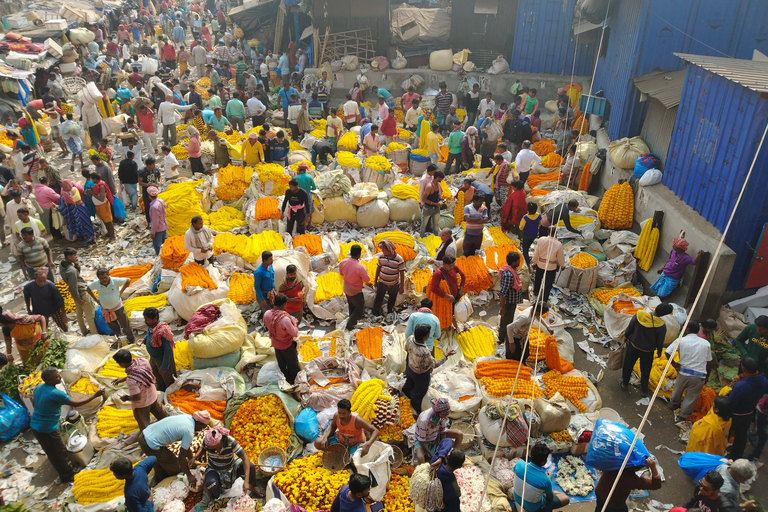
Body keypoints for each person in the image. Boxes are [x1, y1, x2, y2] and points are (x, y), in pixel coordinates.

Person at [31, 367, 104, 483]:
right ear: (49, 380)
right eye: (56, 377)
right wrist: (95, 395)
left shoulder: (39, 387)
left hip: (36, 424)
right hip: (47, 429)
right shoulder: (56, 393)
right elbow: (76, 403)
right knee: (58, 451)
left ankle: (63, 466)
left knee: (51, 450)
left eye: (58, 375)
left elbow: (34, 403)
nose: (59, 377)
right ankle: (66, 475)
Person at [138, 412, 210, 482]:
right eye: (203, 427)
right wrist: (189, 475)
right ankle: (165, 479)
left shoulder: (187, 417)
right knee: (175, 466)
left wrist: (191, 458)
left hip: (145, 434)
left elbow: (186, 447)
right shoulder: (189, 431)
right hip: (150, 443)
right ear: (199, 423)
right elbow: (181, 456)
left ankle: (160, 478)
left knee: (159, 462)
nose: (202, 429)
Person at [620, 303, 673, 395]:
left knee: (628, 365)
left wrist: (626, 336)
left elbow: (630, 328)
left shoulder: (639, 315)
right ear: (663, 315)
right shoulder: (661, 326)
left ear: (656, 307)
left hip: (633, 346)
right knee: (645, 370)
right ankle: (644, 390)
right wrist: (659, 351)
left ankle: (625, 383)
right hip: (647, 351)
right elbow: (660, 342)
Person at [666, 321, 713, 422]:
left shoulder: (681, 340)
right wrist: (707, 377)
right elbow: (709, 362)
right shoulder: (706, 344)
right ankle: (682, 416)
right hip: (699, 375)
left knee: (677, 391)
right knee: (691, 397)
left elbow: (667, 352)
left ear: (687, 329)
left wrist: (674, 364)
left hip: (683, 372)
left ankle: (674, 404)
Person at [200, 424, 263, 499]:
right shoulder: (207, 442)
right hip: (214, 468)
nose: (208, 447)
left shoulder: (231, 442)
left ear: (219, 442)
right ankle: (221, 497)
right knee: (211, 484)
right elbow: (203, 448)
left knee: (251, 466)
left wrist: (246, 481)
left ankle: (253, 487)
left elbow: (245, 458)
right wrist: (195, 457)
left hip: (231, 465)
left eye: (211, 446)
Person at [112, 349, 168, 429]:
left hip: (143, 404)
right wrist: (123, 378)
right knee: (164, 417)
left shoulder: (131, 380)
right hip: (152, 396)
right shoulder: (143, 361)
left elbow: (137, 397)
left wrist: (126, 398)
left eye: (118, 363)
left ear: (123, 364)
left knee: (145, 427)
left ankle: (149, 439)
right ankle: (172, 427)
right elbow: (141, 374)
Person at [405, 324, 453, 414]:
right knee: (418, 393)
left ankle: (407, 395)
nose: (429, 335)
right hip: (420, 375)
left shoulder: (410, 339)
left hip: (410, 367)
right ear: (425, 337)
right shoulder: (424, 352)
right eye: (428, 334)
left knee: (409, 384)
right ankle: (417, 409)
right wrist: (446, 355)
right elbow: (434, 364)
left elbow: (406, 349)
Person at [727, 357, 768, 459]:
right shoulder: (763, 381)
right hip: (749, 412)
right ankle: (736, 457)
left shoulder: (740, 386)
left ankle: (724, 454)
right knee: (741, 436)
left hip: (736, 415)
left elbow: (731, 403)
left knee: (727, 434)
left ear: (743, 369)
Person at [513, 442, 570, 512]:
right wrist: (549, 480)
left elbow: (516, 473)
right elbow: (550, 498)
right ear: (544, 462)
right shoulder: (545, 479)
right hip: (533, 508)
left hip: (517, 497)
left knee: (547, 490)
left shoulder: (519, 464)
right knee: (565, 498)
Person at [594, 456, 661, 512]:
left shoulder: (614, 460)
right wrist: (653, 467)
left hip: (600, 490)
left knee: (600, 508)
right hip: (613, 504)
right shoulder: (629, 479)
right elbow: (656, 485)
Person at [314, 399, 380, 457]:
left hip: (355, 444)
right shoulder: (337, 416)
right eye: (340, 413)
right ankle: (340, 453)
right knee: (318, 442)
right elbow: (333, 426)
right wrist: (325, 437)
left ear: (349, 412)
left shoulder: (357, 420)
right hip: (340, 440)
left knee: (354, 461)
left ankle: (347, 455)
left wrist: (368, 444)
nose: (341, 416)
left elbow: (375, 431)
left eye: (344, 413)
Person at [88, 268, 136, 343]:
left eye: (105, 277)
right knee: (113, 326)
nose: (104, 280)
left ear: (108, 276)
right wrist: (96, 299)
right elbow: (88, 289)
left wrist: (121, 292)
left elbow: (128, 280)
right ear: (98, 278)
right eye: (101, 278)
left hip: (118, 307)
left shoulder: (115, 280)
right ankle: (120, 339)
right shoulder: (96, 284)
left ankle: (131, 339)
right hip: (106, 310)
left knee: (125, 325)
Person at [60, 248, 98, 336]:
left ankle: (84, 331)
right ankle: (95, 334)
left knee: (79, 314)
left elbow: (76, 275)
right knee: (90, 315)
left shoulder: (62, 265)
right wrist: (78, 299)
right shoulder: (71, 271)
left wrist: (76, 265)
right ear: (69, 257)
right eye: (74, 256)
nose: (77, 257)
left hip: (76, 295)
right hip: (81, 293)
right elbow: (73, 286)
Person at [264, 293, 300, 384]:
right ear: (284, 304)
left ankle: (284, 381)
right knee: (293, 365)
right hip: (286, 345)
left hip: (276, 344)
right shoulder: (284, 319)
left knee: (282, 365)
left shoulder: (267, 314)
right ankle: (293, 382)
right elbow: (294, 333)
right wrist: (295, 323)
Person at [414, 398, 463, 464]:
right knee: (420, 458)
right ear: (441, 413)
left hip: (436, 436)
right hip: (423, 441)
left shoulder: (440, 416)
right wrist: (433, 456)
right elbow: (422, 441)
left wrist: (443, 450)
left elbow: (443, 432)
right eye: (445, 414)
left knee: (459, 434)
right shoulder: (424, 420)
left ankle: (453, 457)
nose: (447, 416)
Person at [427, 256, 466, 330]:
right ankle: (443, 327)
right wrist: (447, 296)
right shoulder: (438, 274)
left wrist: (461, 288)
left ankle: (452, 323)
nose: (452, 267)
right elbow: (434, 288)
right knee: (445, 314)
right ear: (444, 264)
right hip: (445, 299)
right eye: (450, 266)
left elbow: (463, 276)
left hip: (455, 297)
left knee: (454, 312)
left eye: (453, 265)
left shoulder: (454, 268)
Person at [531, 226, 566, 303]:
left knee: (538, 279)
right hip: (551, 267)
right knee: (548, 283)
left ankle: (536, 292)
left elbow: (536, 252)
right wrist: (562, 265)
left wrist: (534, 262)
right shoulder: (558, 244)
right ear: (556, 233)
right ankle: (544, 299)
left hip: (540, 264)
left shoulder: (541, 240)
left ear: (548, 232)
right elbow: (560, 257)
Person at [373, 240, 405, 322]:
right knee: (379, 297)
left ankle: (389, 311)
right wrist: (375, 280)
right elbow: (378, 268)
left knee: (392, 298)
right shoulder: (381, 257)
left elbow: (402, 273)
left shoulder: (399, 259)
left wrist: (402, 286)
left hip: (393, 284)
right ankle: (375, 312)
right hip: (382, 282)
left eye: (384, 249)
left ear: (390, 250)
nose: (382, 251)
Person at [339, 244, 370, 330]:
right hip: (355, 291)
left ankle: (352, 321)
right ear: (359, 255)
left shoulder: (343, 262)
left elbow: (341, 273)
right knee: (360, 308)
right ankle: (350, 325)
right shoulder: (360, 267)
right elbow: (367, 279)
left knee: (351, 305)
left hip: (346, 288)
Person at [429, 438, 465, 512]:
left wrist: (440, 457)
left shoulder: (434, 463)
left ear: (447, 458)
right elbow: (455, 509)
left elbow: (447, 440)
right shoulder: (454, 489)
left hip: (430, 503)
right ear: (460, 466)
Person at [499, 252, 523, 348]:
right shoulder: (508, 275)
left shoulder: (512, 269)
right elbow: (503, 292)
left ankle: (503, 335)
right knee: (507, 321)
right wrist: (503, 307)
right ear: (513, 262)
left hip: (512, 301)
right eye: (518, 260)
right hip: (508, 303)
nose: (519, 262)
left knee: (506, 319)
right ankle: (503, 339)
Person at [87, 172, 115, 239]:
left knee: (108, 220)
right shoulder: (97, 185)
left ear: (95, 179)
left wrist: (92, 194)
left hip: (103, 205)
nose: (92, 181)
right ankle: (109, 232)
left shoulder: (101, 186)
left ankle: (112, 234)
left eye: (92, 179)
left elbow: (102, 199)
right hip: (99, 206)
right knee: (104, 220)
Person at [420, 170, 444, 237]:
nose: (442, 180)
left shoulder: (438, 185)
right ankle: (421, 238)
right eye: (441, 178)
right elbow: (423, 199)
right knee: (424, 225)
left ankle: (436, 238)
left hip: (436, 208)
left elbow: (436, 195)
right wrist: (435, 203)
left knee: (436, 225)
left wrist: (440, 199)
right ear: (438, 177)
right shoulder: (429, 186)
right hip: (428, 209)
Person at [138, 157, 161, 226]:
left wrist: (159, 182)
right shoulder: (142, 171)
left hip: (155, 191)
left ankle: (157, 220)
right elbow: (140, 182)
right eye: (153, 164)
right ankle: (149, 221)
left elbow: (159, 176)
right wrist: (149, 184)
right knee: (147, 207)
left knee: (156, 206)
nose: (154, 165)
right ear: (149, 165)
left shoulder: (156, 170)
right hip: (146, 192)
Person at [520, 203, 542, 267]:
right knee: (533, 246)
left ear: (528, 209)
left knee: (525, 249)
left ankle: (528, 263)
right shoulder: (539, 216)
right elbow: (540, 224)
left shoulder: (525, 218)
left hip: (526, 235)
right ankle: (535, 261)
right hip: (534, 234)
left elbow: (521, 227)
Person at [148, 187, 167, 255]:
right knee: (164, 243)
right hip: (164, 225)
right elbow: (165, 206)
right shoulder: (160, 201)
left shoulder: (154, 207)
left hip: (158, 229)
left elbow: (155, 221)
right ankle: (165, 255)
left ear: (149, 196)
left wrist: (153, 233)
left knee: (157, 244)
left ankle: (160, 257)